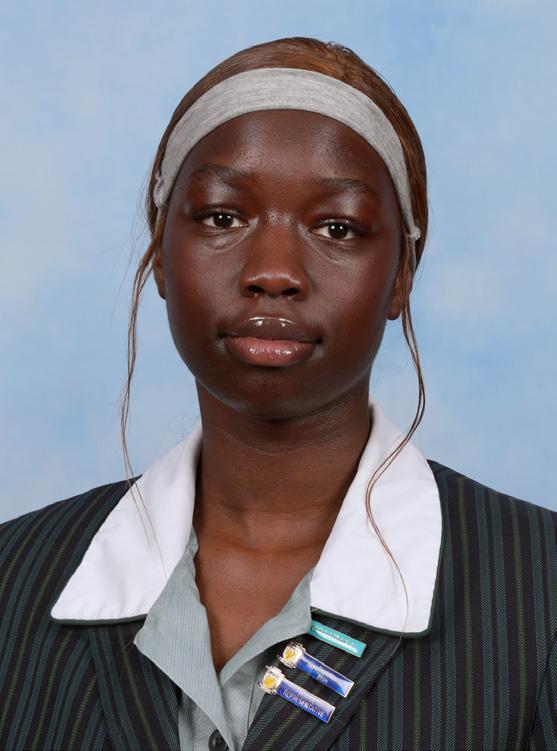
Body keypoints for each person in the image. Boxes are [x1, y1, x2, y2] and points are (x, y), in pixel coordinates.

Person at [1, 35, 555, 751]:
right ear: (160, 253)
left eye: (337, 227)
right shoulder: (14, 578)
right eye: (222, 217)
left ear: (400, 276)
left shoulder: (540, 594)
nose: (273, 271)